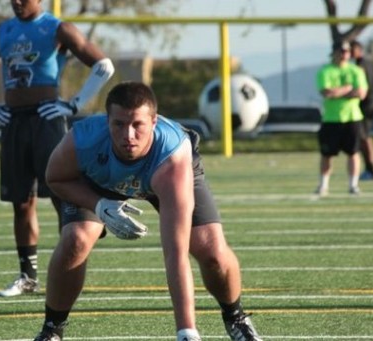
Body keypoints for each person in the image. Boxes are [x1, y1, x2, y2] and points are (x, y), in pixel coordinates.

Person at [32, 81, 262, 341]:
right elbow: (55, 178)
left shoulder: (172, 158)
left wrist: (187, 332)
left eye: (137, 125)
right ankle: (52, 329)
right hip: (99, 180)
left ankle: (236, 317)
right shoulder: (83, 139)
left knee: (211, 252)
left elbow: (175, 254)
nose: (128, 135)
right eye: (118, 124)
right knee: (75, 240)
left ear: (153, 122)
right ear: (107, 121)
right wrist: (99, 205)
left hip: (159, 173)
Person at [0, 0, 114, 297]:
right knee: (21, 201)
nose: (17, 1)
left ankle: (74, 264)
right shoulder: (3, 31)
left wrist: (74, 104)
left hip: (46, 120)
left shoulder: (57, 28)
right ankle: (28, 276)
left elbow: (103, 65)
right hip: (14, 123)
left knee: (61, 194)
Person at [314, 40, 368, 196]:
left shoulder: (356, 70)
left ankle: (353, 185)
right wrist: (347, 89)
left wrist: (338, 92)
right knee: (327, 154)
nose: (344, 55)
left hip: (352, 117)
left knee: (353, 152)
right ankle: (323, 185)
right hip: (331, 118)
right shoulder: (326, 71)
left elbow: (361, 93)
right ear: (335, 53)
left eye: (347, 52)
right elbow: (327, 93)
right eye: (341, 51)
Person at [350, 40, 373, 182]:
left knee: (364, 137)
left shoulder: (360, 65)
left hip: (366, 104)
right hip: (371, 102)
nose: (349, 53)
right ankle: (370, 169)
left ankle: (371, 170)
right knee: (364, 136)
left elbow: (362, 87)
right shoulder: (367, 63)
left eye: (352, 50)